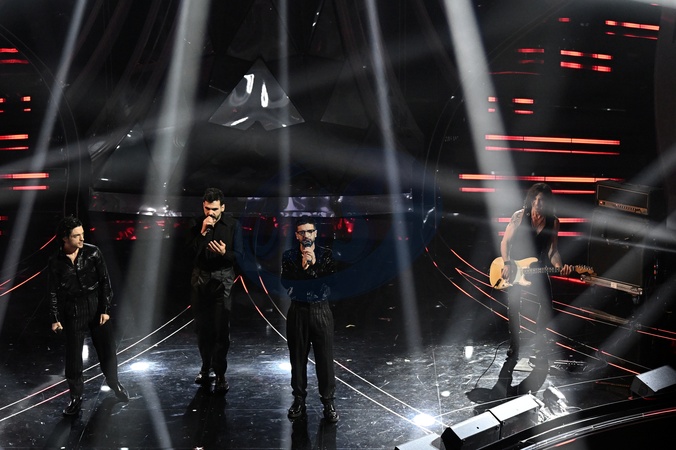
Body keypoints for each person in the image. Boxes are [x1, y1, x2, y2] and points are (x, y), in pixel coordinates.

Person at [48, 215, 129, 416]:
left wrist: (105, 309)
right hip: (73, 310)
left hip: (95, 306)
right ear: (65, 238)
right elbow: (52, 291)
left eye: (82, 234)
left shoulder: (93, 253)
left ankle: (114, 383)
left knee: (107, 350)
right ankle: (76, 397)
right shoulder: (55, 262)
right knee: (74, 358)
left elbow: (105, 281)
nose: (82, 239)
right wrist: (55, 318)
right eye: (77, 236)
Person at [499, 183, 572, 363]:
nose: (538, 203)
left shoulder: (553, 222)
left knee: (547, 304)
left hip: (536, 267)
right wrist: (507, 263)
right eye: (536, 199)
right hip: (515, 266)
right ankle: (515, 343)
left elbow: (553, 251)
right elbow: (505, 242)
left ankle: (539, 342)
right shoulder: (519, 216)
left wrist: (560, 266)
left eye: (542, 200)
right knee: (514, 305)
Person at [281, 216, 339, 423]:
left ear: (315, 234)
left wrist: (313, 266)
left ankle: (328, 402)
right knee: (297, 358)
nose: (306, 235)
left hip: (320, 310)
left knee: (325, 359)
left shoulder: (326, 255)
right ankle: (299, 400)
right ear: (297, 235)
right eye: (302, 232)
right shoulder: (289, 256)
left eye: (309, 231)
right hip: (298, 310)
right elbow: (286, 283)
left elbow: (331, 282)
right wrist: (304, 268)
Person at [186, 187, 243, 393]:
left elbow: (240, 256)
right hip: (200, 278)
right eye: (207, 209)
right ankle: (205, 367)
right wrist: (202, 233)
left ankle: (220, 373)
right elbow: (188, 253)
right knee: (202, 327)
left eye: (215, 209)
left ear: (223, 207)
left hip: (222, 279)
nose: (211, 213)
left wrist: (225, 253)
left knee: (220, 328)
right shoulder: (195, 223)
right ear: (203, 206)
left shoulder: (233, 225)